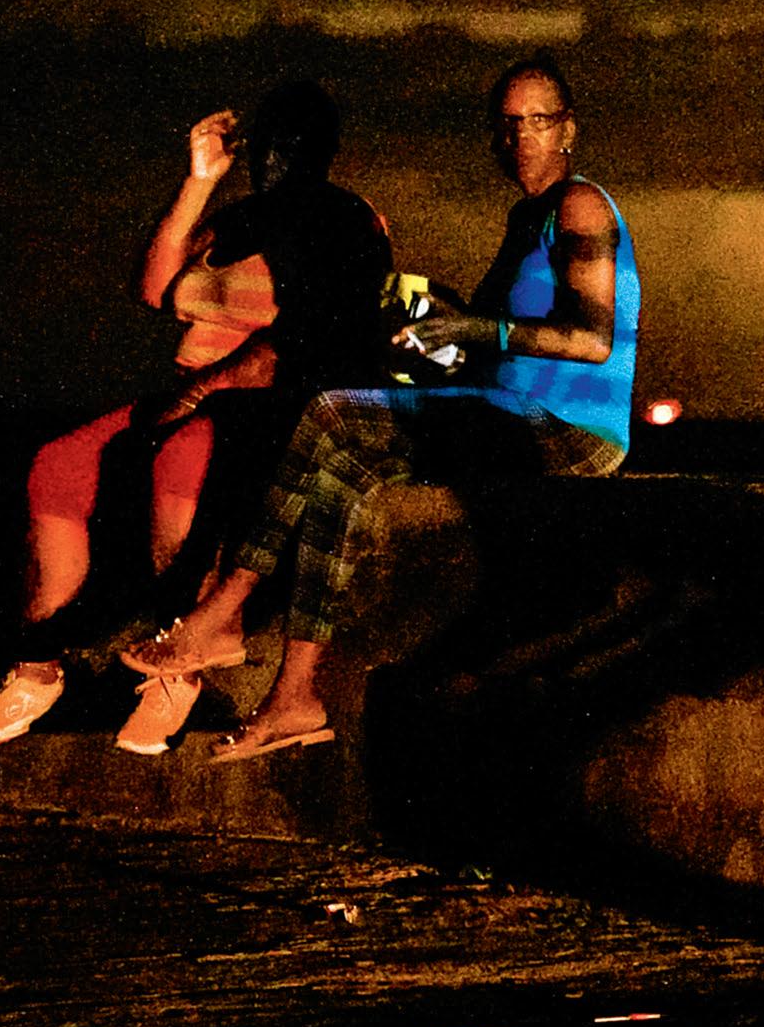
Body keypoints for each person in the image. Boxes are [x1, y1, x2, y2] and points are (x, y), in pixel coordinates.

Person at [118, 55, 639, 760]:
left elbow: (592, 338)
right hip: (507, 413)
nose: (522, 138)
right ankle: (295, 696)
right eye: (509, 124)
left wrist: (471, 328)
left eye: (539, 121)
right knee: (342, 467)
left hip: (570, 431)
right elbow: (492, 342)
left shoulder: (580, 205)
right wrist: (433, 331)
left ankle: (220, 612)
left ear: (568, 129)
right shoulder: (528, 217)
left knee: (332, 412)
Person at [0, 83, 390, 756]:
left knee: (183, 462)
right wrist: (198, 182)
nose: (275, 158)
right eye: (267, 145)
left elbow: (308, 340)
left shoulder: (342, 220)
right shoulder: (236, 221)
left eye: (292, 145)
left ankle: (176, 670)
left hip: (251, 402)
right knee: (57, 464)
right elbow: (154, 288)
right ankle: (36, 670)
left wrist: (202, 394)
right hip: (190, 387)